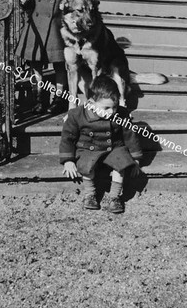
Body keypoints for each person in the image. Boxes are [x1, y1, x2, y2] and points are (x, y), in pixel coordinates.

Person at [15, 0, 85, 114]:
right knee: (36, 65)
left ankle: (59, 98)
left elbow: (78, 5)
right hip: (37, 28)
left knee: (60, 65)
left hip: (58, 30)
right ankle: (38, 97)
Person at [59, 74, 143, 213]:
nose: (111, 112)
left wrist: (136, 158)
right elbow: (68, 138)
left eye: (114, 107)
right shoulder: (77, 115)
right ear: (91, 103)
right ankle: (90, 194)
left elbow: (129, 135)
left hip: (113, 147)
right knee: (86, 165)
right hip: (88, 148)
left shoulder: (121, 114)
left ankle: (115, 197)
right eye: (106, 108)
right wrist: (68, 160)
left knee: (120, 164)